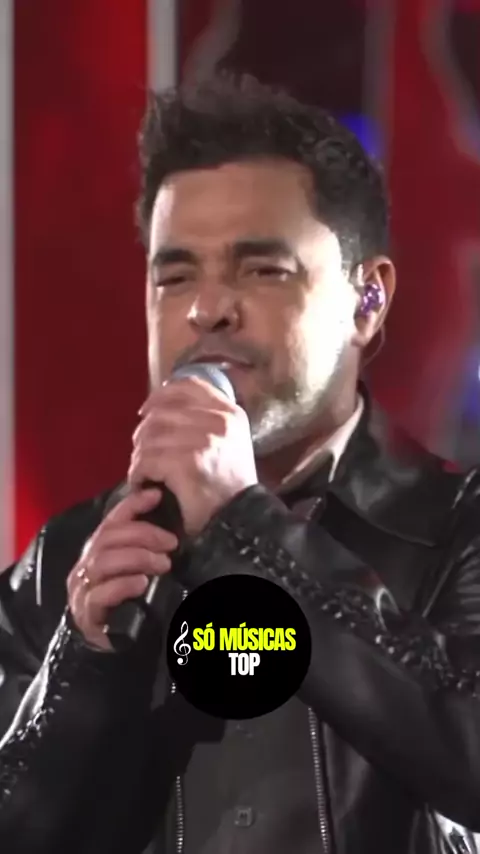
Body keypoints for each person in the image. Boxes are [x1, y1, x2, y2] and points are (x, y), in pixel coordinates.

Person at [0, 74, 479, 854]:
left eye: (261, 269)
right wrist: (84, 658)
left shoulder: (459, 529)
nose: (207, 308)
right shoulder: (69, 562)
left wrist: (243, 527)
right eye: (175, 275)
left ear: (368, 299)